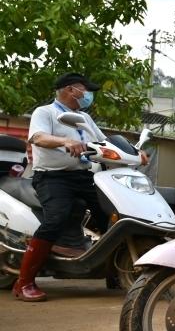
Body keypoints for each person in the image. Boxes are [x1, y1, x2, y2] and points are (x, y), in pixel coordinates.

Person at [14, 73, 108, 301]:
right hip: (52, 178)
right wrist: (66, 141)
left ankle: (113, 269)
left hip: (83, 176)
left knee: (110, 214)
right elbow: (38, 138)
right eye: (85, 90)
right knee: (56, 219)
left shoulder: (85, 117)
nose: (89, 95)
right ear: (70, 90)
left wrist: (136, 153)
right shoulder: (45, 112)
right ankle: (24, 282)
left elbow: (106, 142)